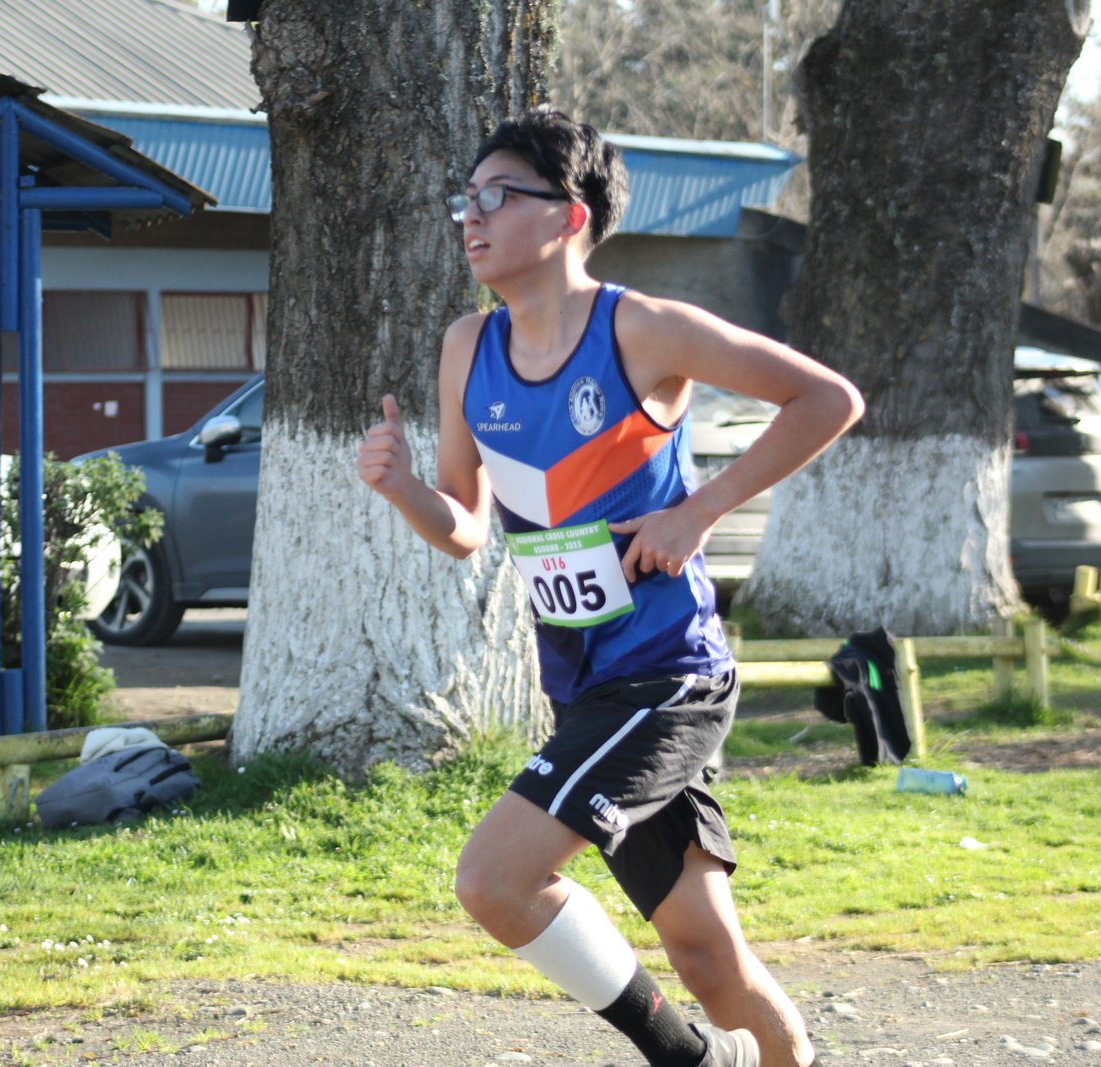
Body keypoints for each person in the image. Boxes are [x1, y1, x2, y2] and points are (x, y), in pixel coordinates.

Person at [357, 108, 861, 1067]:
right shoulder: (469, 346)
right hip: (586, 690)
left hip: (667, 678)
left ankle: (689, 1058)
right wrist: (405, 488)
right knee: (711, 959)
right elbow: (466, 531)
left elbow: (828, 399)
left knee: (492, 879)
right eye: (465, 199)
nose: (472, 216)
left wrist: (698, 509)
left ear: (569, 216)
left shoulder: (643, 329)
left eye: (498, 195)